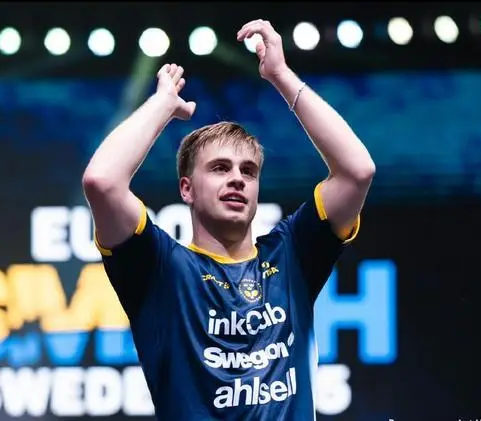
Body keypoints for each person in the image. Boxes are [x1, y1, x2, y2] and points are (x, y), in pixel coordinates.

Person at [82, 19, 375, 421]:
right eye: (220, 168)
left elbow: (357, 171)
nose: (237, 178)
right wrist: (162, 106)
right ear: (186, 189)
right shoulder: (162, 270)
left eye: (248, 171)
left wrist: (281, 75)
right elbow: (102, 182)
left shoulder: (292, 254)